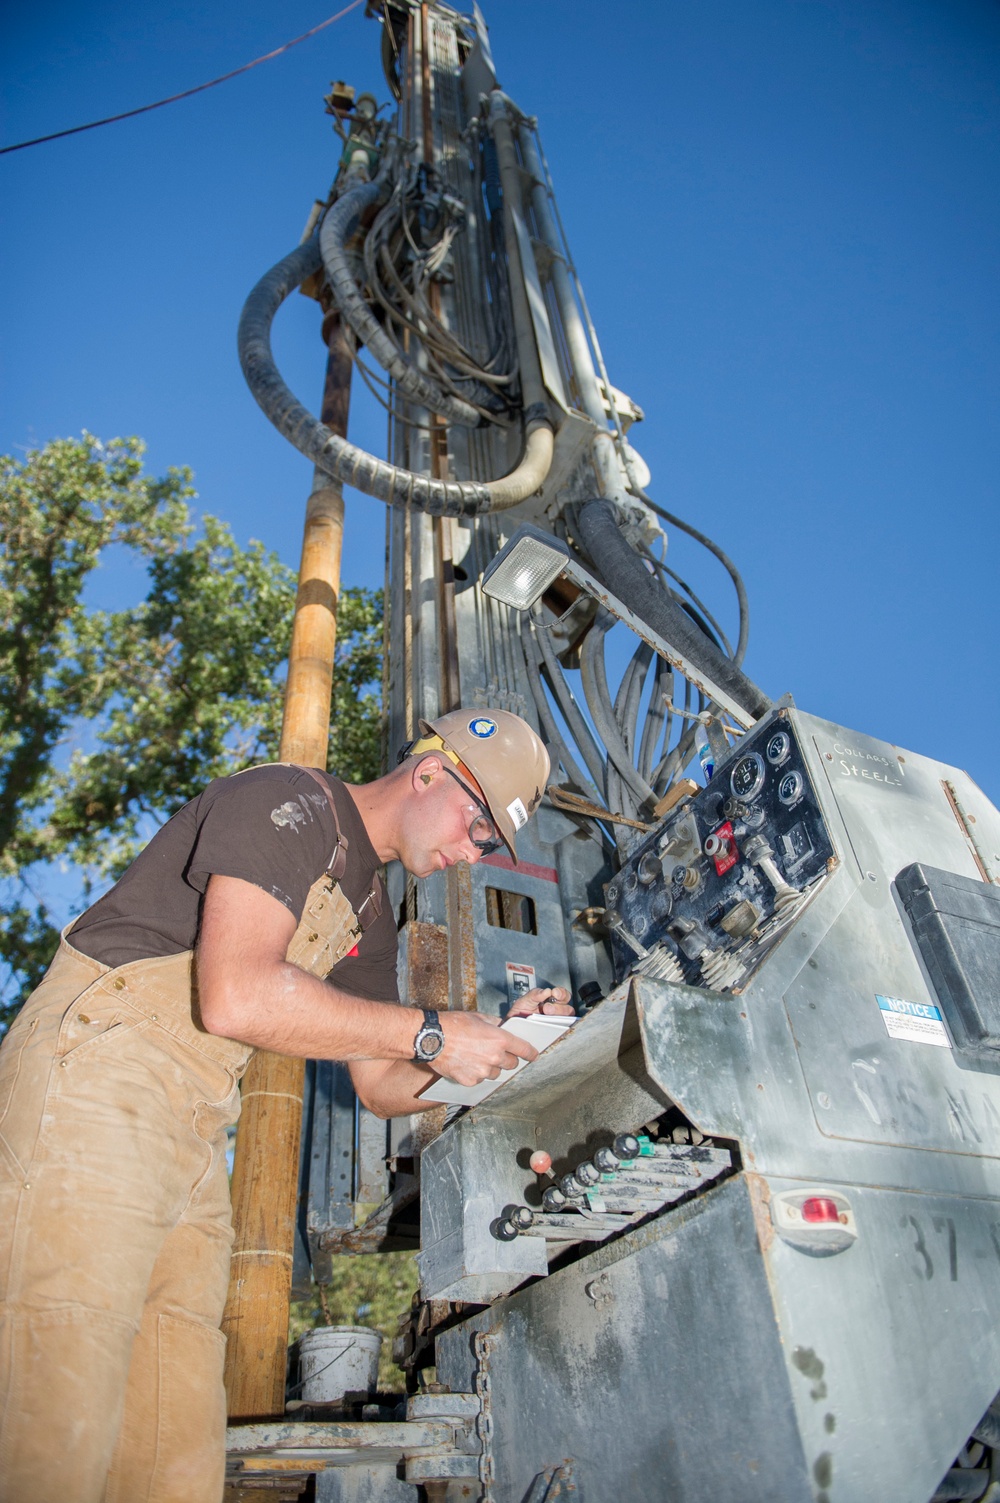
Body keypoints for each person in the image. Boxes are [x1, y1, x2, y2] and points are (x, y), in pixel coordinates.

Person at [0, 708, 572, 1503]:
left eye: (487, 845)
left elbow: (379, 1084)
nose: (471, 853)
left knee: (174, 1448)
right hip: (103, 1068)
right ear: (430, 771)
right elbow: (236, 994)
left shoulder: (369, 910)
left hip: (194, 1127)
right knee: (54, 1399)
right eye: (478, 826)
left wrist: (504, 1051)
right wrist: (435, 1032)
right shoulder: (288, 802)